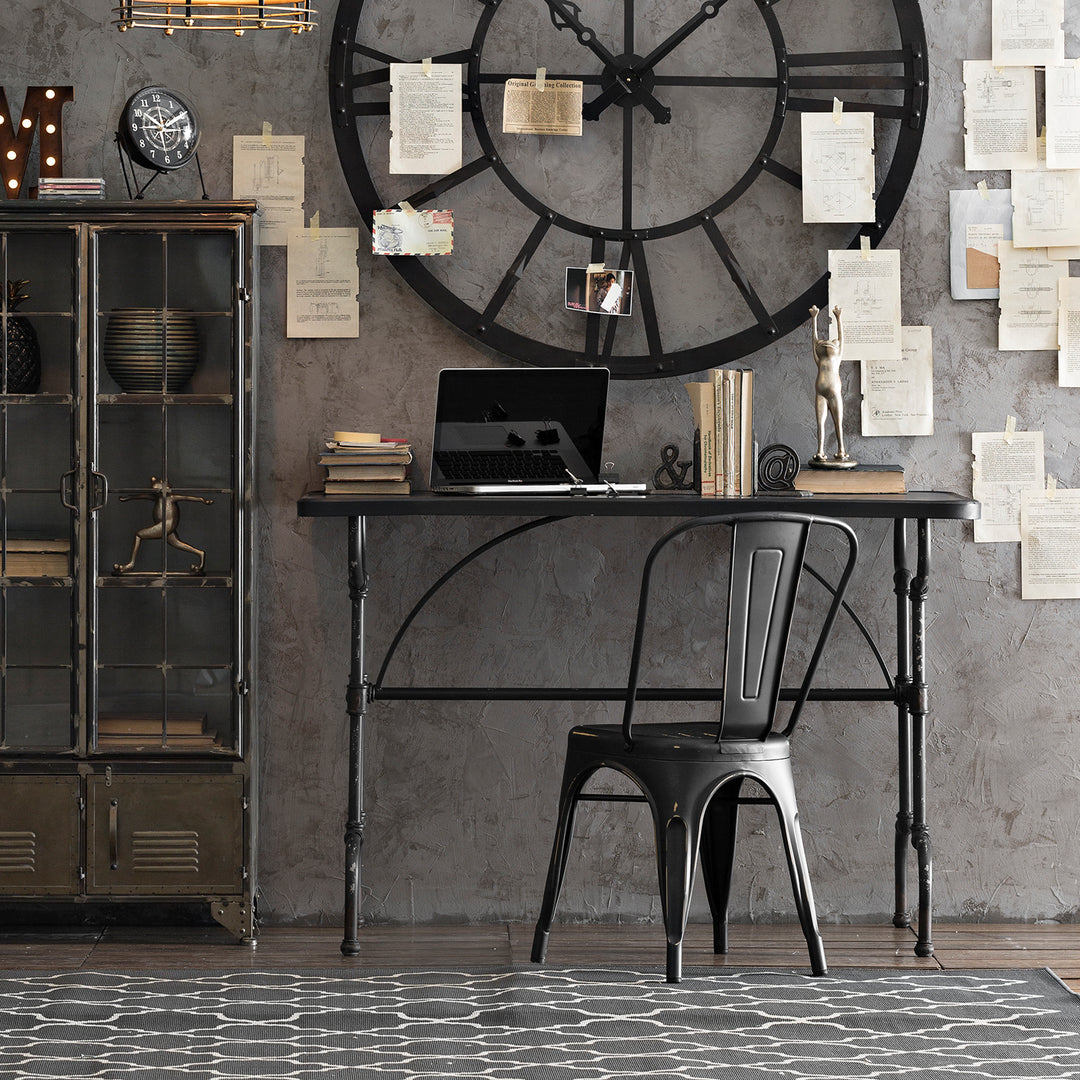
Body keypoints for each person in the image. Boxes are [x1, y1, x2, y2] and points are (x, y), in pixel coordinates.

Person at [809, 304, 852, 464]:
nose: (827, 343)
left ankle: (841, 450)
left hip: (834, 393)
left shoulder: (837, 357)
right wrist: (814, 318)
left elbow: (841, 338)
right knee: (820, 422)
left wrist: (838, 318)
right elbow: (814, 340)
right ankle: (820, 451)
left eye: (833, 342)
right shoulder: (819, 359)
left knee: (837, 422)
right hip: (821, 393)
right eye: (823, 342)